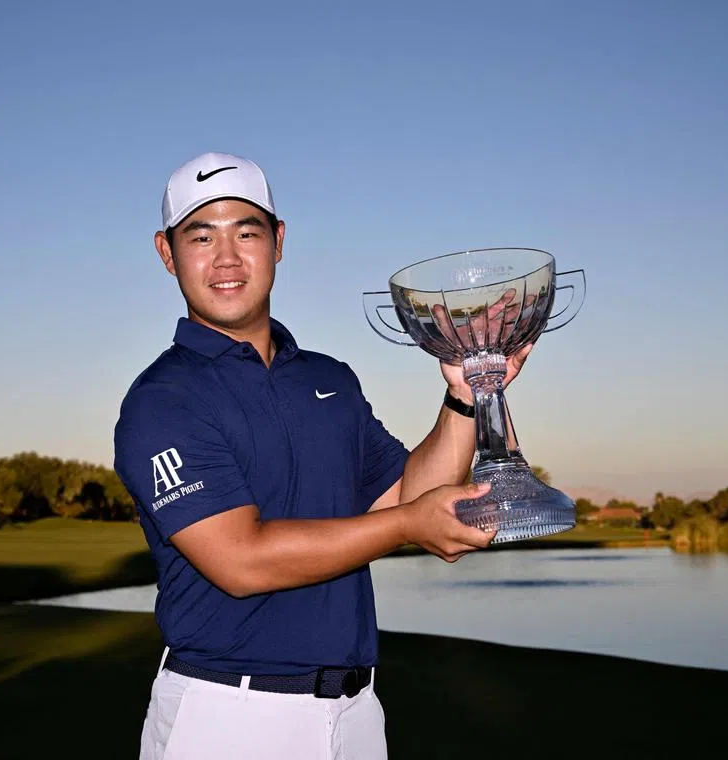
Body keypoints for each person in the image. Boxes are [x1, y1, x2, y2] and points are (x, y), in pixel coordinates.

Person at [112, 151, 533, 760]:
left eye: (247, 232)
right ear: (166, 252)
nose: (226, 259)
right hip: (228, 716)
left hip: (356, 713)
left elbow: (407, 495)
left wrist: (464, 397)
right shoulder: (163, 401)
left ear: (278, 242)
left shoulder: (329, 380)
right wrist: (409, 525)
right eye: (201, 236)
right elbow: (241, 561)